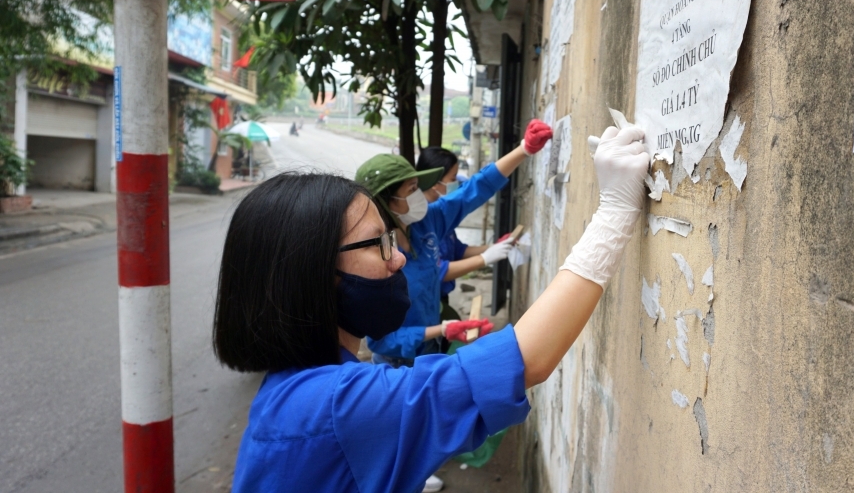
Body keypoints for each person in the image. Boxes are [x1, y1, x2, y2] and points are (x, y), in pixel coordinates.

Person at [213, 125, 649, 492]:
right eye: (379, 243)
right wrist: (614, 212)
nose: (398, 257)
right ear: (313, 271)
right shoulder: (338, 406)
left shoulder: (294, 390)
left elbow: (469, 195)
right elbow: (525, 359)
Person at [355, 120, 553, 367]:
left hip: (431, 351)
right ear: (386, 201)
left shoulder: (426, 222)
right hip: (397, 365)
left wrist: (524, 149)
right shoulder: (374, 259)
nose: (420, 196)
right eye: (412, 189)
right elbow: (381, 341)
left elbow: (473, 190)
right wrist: (441, 329)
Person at [415, 146, 507, 325]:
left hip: (438, 298)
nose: (457, 182)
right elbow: (437, 270)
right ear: (434, 181)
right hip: (425, 303)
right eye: (452, 178)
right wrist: (484, 258)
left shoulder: (441, 217)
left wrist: (493, 248)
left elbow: (457, 250)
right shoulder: (423, 219)